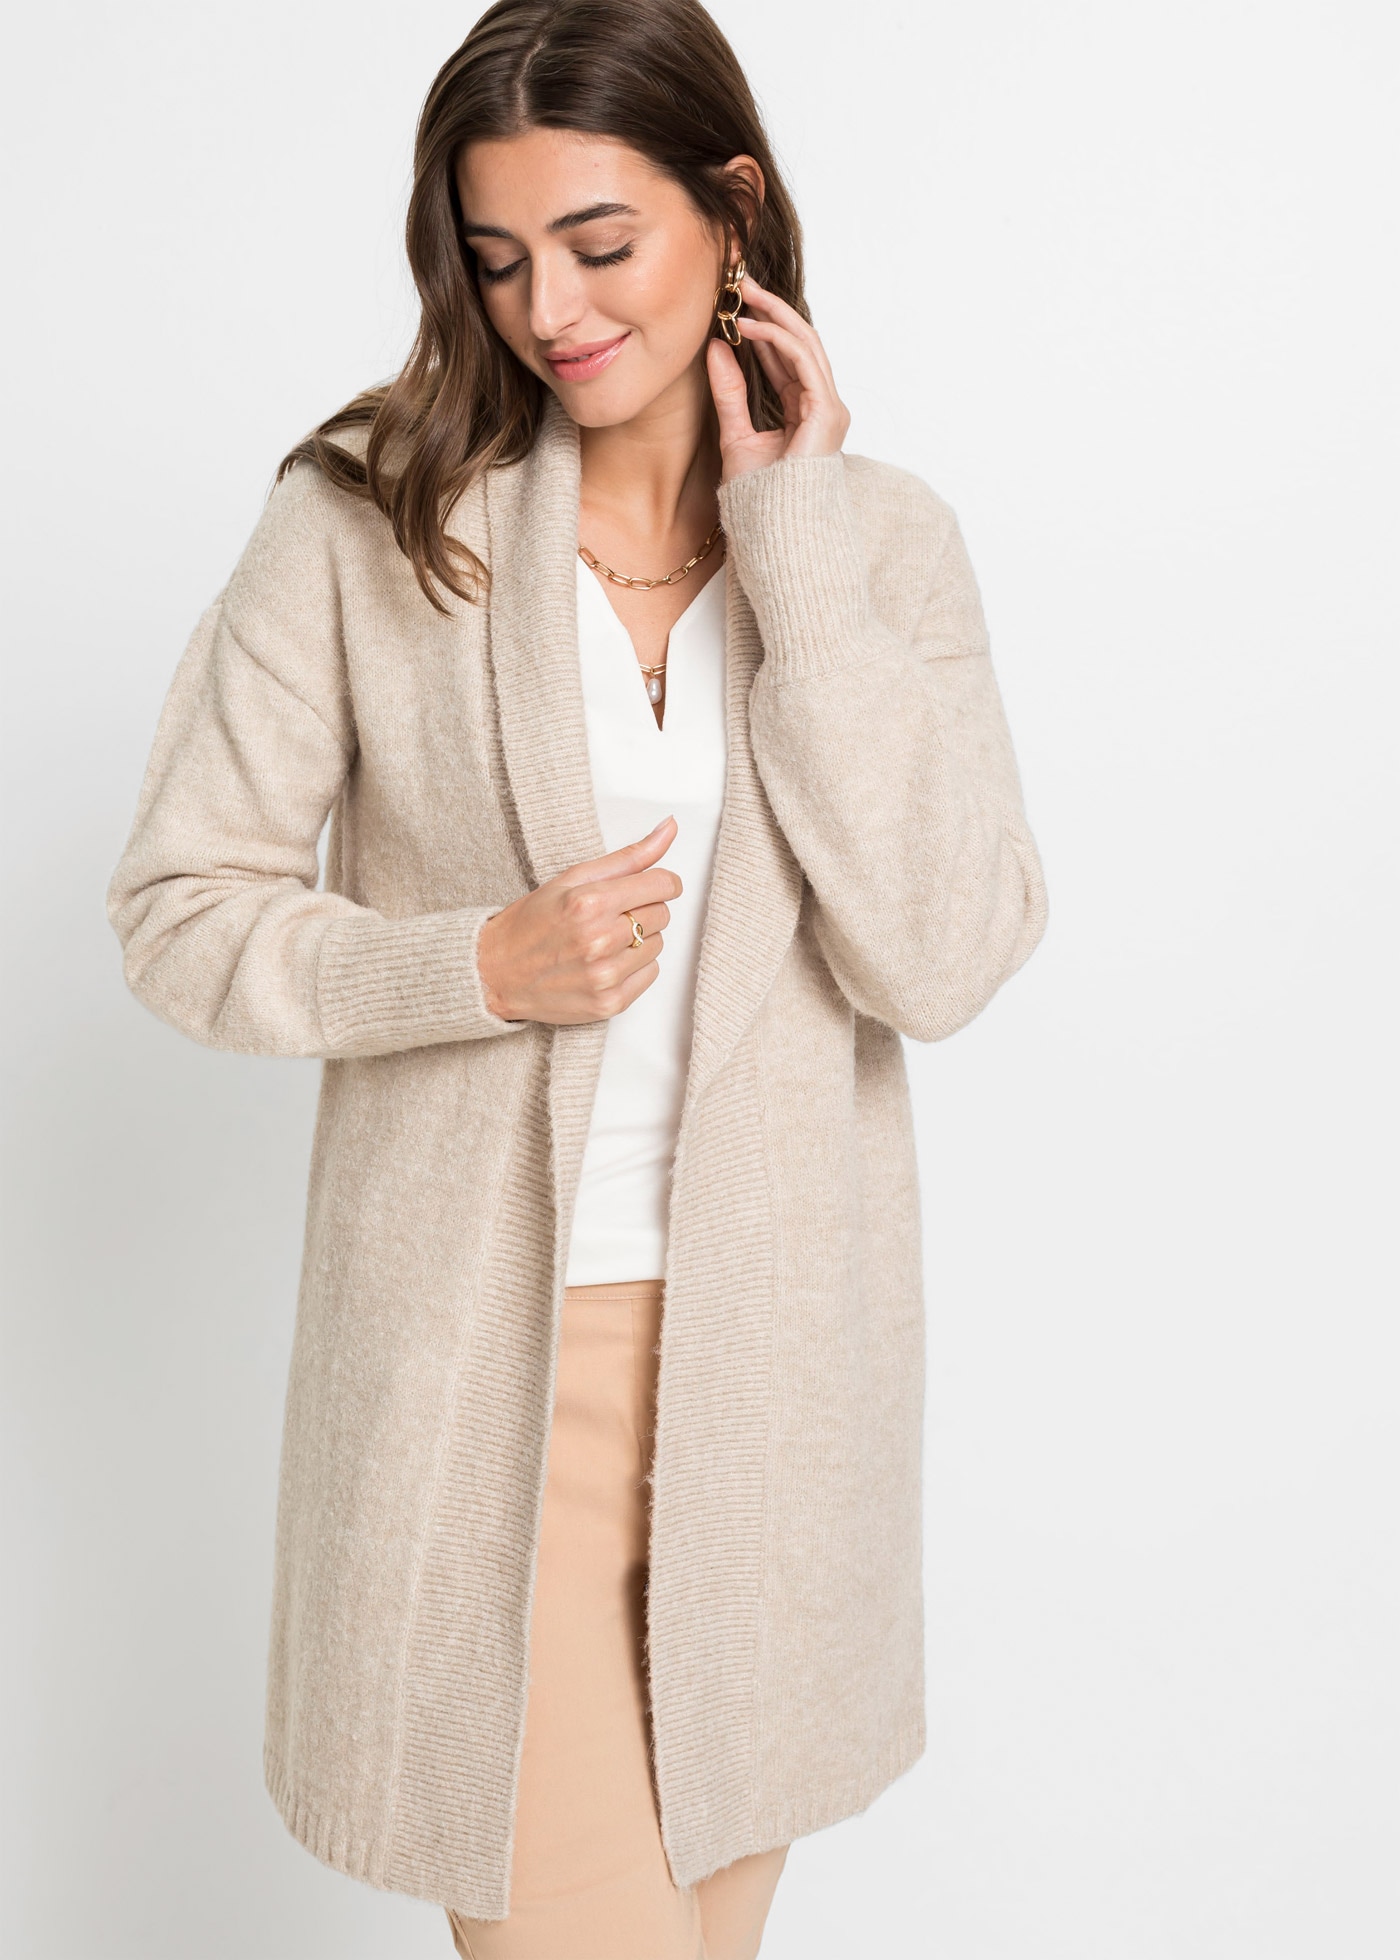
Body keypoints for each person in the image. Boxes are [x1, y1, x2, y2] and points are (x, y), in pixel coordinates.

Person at [106, 1, 1048, 1953]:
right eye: (498, 256)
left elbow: (944, 951)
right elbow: (182, 908)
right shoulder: (371, 520)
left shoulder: (882, 546)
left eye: (600, 245)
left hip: (777, 1392)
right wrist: (473, 963)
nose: (550, 310)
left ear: (733, 209)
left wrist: (795, 546)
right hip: (484, 1388)